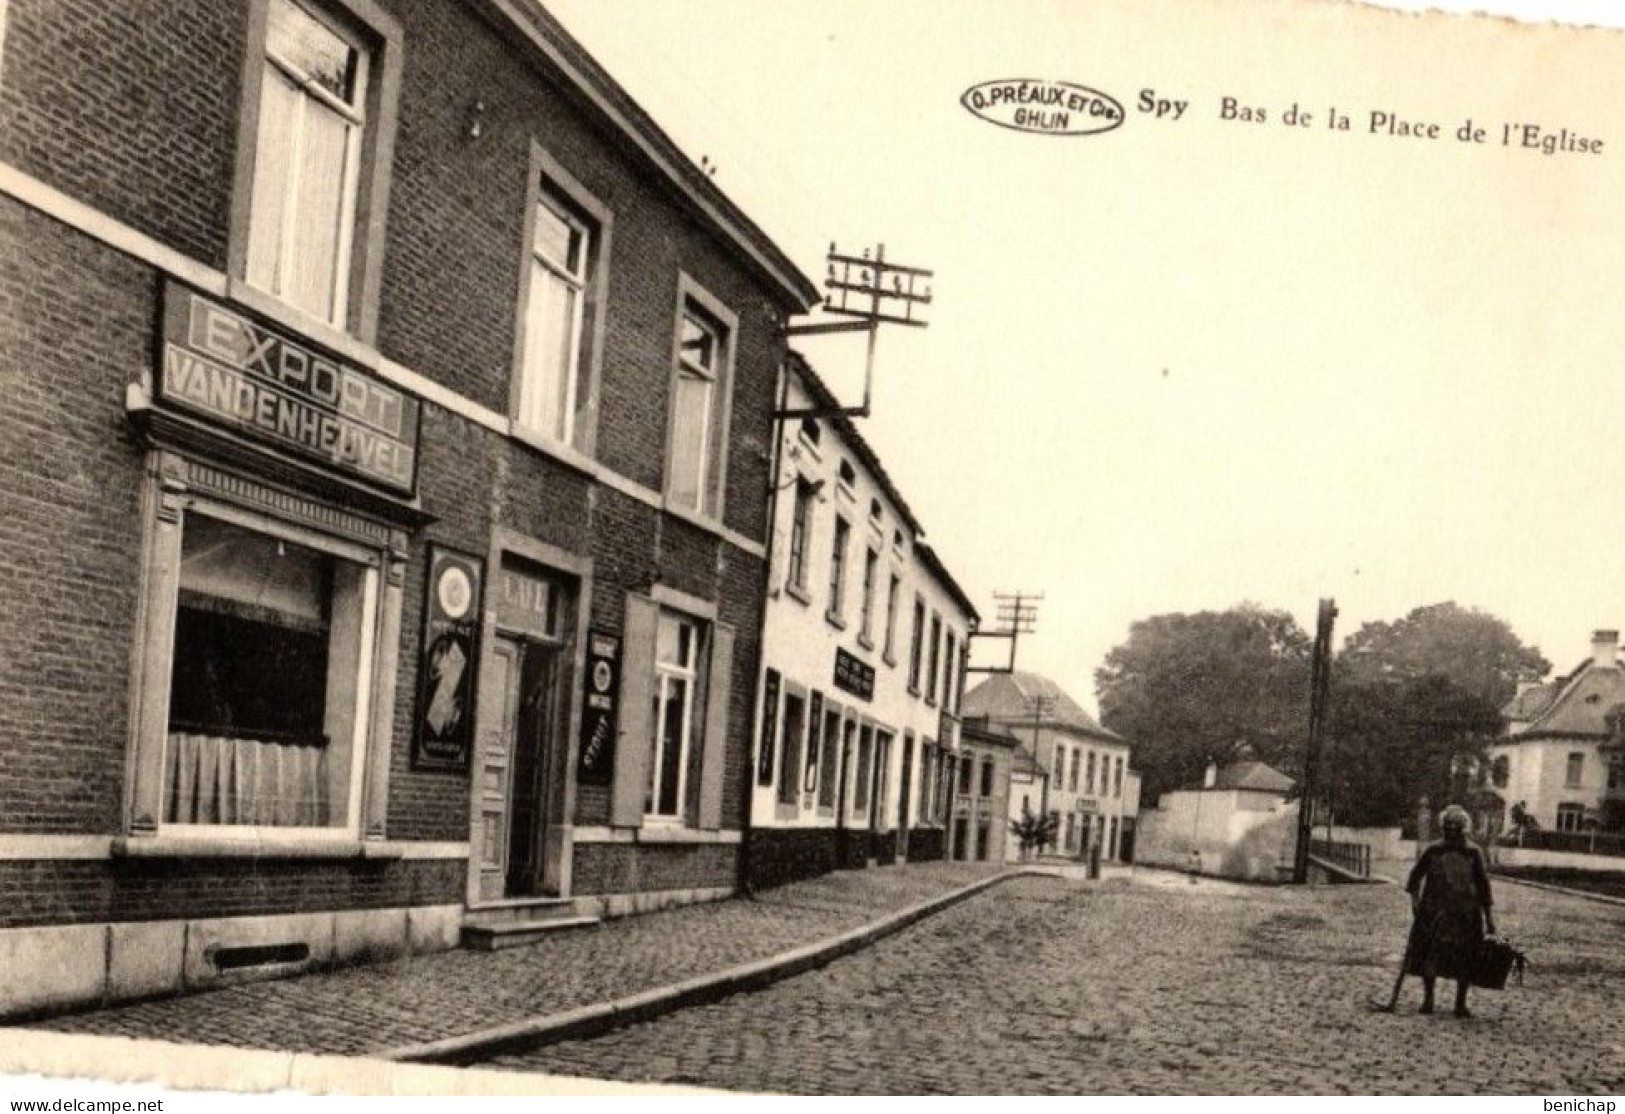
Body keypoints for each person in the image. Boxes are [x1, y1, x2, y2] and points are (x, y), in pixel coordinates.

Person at [1404, 804, 1496, 1017]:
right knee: (1430, 957)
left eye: (1455, 829)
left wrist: (1489, 917)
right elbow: (1415, 877)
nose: (1451, 833)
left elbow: (1484, 886)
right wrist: (1415, 902)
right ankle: (1428, 1001)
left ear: (1463, 829)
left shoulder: (1474, 852)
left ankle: (1460, 1004)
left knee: (1465, 958)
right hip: (1436, 913)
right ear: (1443, 828)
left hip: (1466, 914)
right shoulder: (1434, 850)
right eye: (1447, 829)